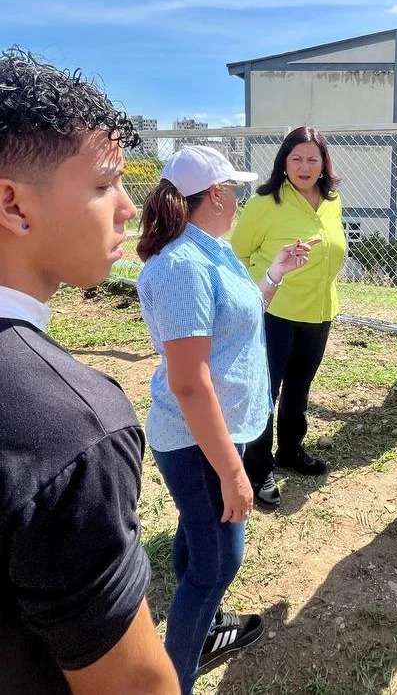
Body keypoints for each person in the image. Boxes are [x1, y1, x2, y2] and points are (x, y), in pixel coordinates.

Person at [0, 49, 179, 695]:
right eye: (104, 185)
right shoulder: (71, 431)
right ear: (15, 206)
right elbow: (137, 686)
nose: (129, 207)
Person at [136, 145, 310, 694]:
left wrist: (275, 273)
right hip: (197, 442)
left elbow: (233, 318)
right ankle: (177, 679)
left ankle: (204, 629)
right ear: (214, 195)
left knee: (200, 534)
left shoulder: (208, 250)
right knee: (217, 565)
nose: (239, 198)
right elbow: (189, 381)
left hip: (210, 434)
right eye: (233, 189)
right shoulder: (184, 266)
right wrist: (234, 472)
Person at [231, 126, 346, 508]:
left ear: (324, 164)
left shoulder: (331, 201)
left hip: (319, 312)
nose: (304, 166)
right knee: (266, 391)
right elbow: (239, 257)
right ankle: (258, 466)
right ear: (283, 161)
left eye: (313, 158)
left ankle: (290, 451)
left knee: (300, 388)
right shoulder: (264, 204)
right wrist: (263, 287)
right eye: (296, 157)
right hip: (274, 313)